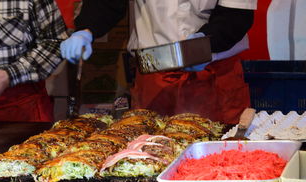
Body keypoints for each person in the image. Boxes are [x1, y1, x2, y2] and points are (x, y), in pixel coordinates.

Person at [61, 1, 256, 124]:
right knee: (149, 151)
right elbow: (107, 4)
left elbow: (237, 15)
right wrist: (86, 30)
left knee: (221, 152)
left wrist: (203, 44)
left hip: (215, 71)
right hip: (154, 74)